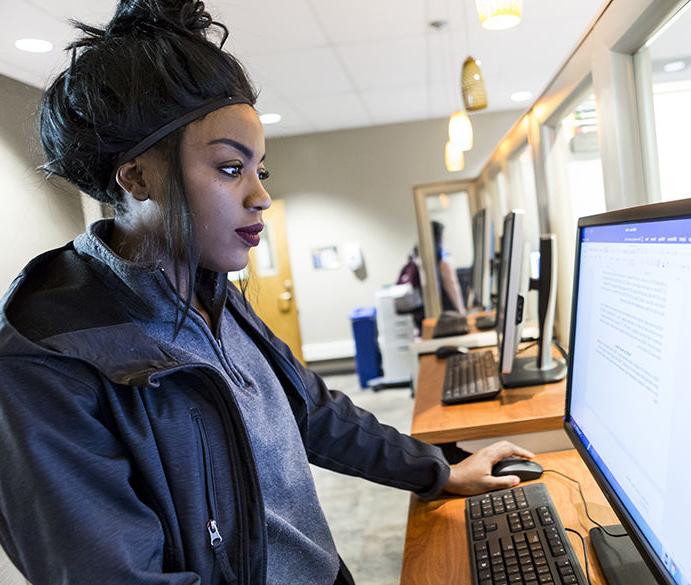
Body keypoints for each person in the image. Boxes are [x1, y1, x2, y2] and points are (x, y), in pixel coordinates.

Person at [0, 1, 535, 584]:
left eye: (261, 171)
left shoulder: (212, 295)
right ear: (137, 177)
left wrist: (439, 469)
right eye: (231, 168)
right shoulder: (43, 361)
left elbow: (313, 414)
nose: (261, 197)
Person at [431, 221, 467, 314]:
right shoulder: (443, 261)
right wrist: (462, 311)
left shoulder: (428, 258)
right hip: (449, 310)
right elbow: (452, 285)